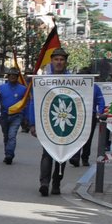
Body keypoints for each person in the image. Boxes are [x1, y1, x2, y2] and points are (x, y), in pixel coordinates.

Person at [35, 46, 72, 196]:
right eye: (56, 59)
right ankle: (44, 182)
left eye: (62, 59)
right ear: (51, 61)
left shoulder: (74, 81)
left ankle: (57, 182)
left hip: (66, 121)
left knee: (62, 155)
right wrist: (32, 123)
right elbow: (34, 101)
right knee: (47, 153)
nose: (59, 62)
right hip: (47, 121)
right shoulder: (43, 80)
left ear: (65, 62)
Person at [0, 66, 32, 165]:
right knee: (6, 136)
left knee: (12, 136)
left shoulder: (23, 89)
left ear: (17, 76)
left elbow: (27, 104)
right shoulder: (1, 87)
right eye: (10, 75)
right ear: (8, 76)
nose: (12, 77)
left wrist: (27, 117)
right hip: (4, 115)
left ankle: (9, 155)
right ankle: (7, 153)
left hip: (17, 116)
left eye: (15, 75)